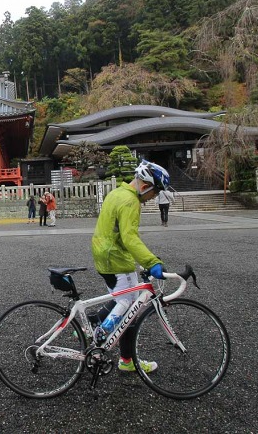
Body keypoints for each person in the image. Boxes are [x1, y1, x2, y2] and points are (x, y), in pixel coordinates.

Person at [90, 160, 171, 373]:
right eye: (154, 193)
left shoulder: (117, 193)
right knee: (129, 308)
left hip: (103, 255)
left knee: (123, 301)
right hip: (116, 258)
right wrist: (152, 262)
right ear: (146, 186)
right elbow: (129, 238)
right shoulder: (130, 201)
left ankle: (93, 323)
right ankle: (121, 355)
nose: (152, 199)